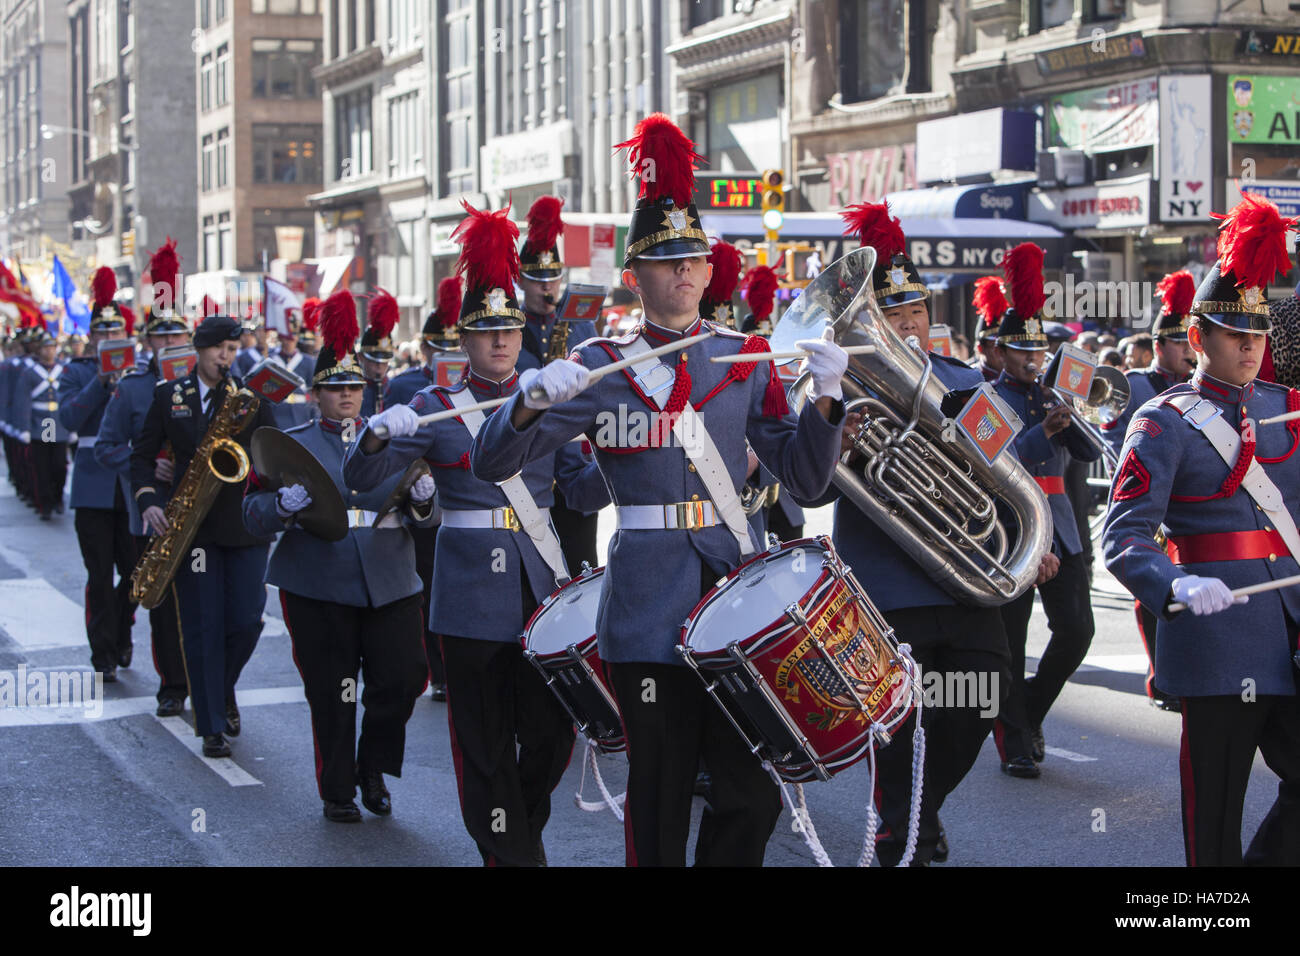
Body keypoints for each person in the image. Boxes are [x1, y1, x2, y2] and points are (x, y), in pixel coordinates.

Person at [469, 113, 848, 867]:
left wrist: (829, 402)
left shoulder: (747, 357)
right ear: (635, 274)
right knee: (661, 791)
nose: (682, 272)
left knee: (751, 790)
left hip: (741, 600)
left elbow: (805, 476)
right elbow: (492, 463)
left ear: (710, 272)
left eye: (693, 260)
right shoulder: (599, 364)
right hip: (647, 609)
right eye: (665, 260)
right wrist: (531, 401)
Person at [344, 200, 608, 865]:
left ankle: (517, 831)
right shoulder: (433, 407)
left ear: (523, 335)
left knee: (551, 735)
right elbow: (363, 482)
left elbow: (581, 490)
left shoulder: (546, 397)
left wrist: (622, 448)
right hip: (467, 596)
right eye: (486, 332)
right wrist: (376, 435)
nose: (500, 342)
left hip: (540, 586)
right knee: (484, 740)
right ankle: (510, 852)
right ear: (462, 338)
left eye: (510, 331)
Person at [795, 202, 1029, 865]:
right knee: (899, 725)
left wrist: (1041, 551)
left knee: (980, 703)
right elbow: (806, 485)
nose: (906, 325)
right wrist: (836, 428)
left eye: (915, 311)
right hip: (885, 591)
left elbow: (1011, 485)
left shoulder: (965, 384)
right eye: (890, 313)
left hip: (966, 587)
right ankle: (904, 829)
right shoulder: (839, 391)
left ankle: (913, 817)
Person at [1103, 194, 1300, 866]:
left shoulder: (1287, 410)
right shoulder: (1163, 421)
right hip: (1217, 644)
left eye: (1258, 335)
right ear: (1198, 339)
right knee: (1212, 825)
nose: (1249, 348)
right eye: (1233, 334)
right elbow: (1124, 535)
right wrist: (1176, 582)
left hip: (1290, 640)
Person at [244, 288, 432, 822]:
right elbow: (251, 513)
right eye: (334, 387)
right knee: (333, 692)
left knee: (402, 678)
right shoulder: (290, 442)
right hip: (318, 581)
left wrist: (426, 502)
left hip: (391, 576)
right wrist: (281, 504)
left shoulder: (397, 439)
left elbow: (429, 514)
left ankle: (372, 766)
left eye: (353, 385)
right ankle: (339, 788)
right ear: (316, 393)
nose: (346, 395)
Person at [131, 313, 277, 758]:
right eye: (219, 350)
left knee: (247, 620)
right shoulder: (168, 395)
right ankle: (211, 723)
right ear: (200, 349)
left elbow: (273, 452)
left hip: (244, 524)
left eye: (233, 351)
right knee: (201, 624)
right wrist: (149, 500)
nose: (226, 358)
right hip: (192, 528)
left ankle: (220, 687)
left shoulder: (251, 397)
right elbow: (141, 457)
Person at [992, 242, 1099, 779]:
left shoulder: (1053, 392)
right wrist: (1042, 431)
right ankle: (1014, 741)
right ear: (1000, 352)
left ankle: (1028, 710)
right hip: (1010, 528)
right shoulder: (986, 395)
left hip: (1062, 526)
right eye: (1021, 352)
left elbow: (1089, 454)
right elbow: (994, 461)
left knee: (1078, 631)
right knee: (1010, 643)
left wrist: (1074, 417)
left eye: (1038, 353)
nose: (1032, 360)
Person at [95, 240, 193, 717]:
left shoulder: (207, 384)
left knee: (212, 604)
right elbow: (105, 446)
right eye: (163, 339)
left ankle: (215, 687)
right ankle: (173, 685)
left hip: (200, 504)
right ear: (149, 342)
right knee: (163, 602)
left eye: (179, 339)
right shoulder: (134, 389)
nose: (171, 346)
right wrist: (146, 463)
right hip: (151, 508)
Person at [1100, 271, 1199, 712]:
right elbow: (1112, 436)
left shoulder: (1200, 386)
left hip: (1187, 503)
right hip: (1147, 498)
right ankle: (1161, 675)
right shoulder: (1136, 384)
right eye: (1178, 344)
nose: (1186, 352)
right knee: (1151, 594)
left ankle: (1179, 671)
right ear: (1159, 346)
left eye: (1189, 343)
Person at [384, 276, 463, 702]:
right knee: (428, 583)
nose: (446, 355)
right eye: (440, 348)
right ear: (427, 349)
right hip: (421, 494)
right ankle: (439, 669)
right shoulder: (402, 385)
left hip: (466, 489)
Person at [515, 195, 602, 573]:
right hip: (528, 462)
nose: (547, 288)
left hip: (574, 462)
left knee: (583, 562)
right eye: (537, 280)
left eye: (553, 278)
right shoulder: (511, 327)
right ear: (521, 278)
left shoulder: (580, 324)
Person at [58, 268, 138, 680]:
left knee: (136, 570)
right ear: (91, 336)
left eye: (116, 332)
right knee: (99, 573)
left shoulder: (140, 373)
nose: (109, 339)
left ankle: (122, 627)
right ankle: (103, 652)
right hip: (92, 486)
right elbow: (66, 420)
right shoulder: (76, 372)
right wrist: (101, 382)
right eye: (102, 333)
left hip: (130, 485)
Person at [12, 329, 70, 520]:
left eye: (52, 347)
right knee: (42, 466)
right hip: (42, 423)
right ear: (40, 350)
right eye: (45, 348)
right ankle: (45, 503)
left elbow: (71, 397)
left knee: (60, 465)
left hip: (59, 422)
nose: (49, 351)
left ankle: (58, 496)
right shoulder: (30, 372)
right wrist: (25, 428)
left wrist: (74, 427)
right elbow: (23, 402)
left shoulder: (64, 370)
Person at [266, 317, 316, 430]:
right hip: (276, 412)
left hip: (301, 412)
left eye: (293, 336)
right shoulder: (270, 360)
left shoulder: (308, 361)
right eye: (286, 336)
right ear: (280, 337)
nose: (289, 340)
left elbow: (313, 391)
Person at [358, 291, 398, 418]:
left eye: (384, 362)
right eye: (375, 362)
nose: (380, 367)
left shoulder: (397, 387)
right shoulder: (354, 391)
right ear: (361, 357)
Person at [971, 279, 1004, 383]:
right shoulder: (969, 378)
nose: (1001, 352)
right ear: (980, 348)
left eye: (1005, 345)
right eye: (994, 345)